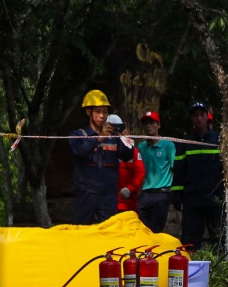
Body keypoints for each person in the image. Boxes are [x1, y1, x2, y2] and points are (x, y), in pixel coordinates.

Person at [69, 89, 134, 225]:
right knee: (80, 232)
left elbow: (127, 157)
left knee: (109, 234)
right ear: (89, 112)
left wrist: (125, 141)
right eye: (98, 111)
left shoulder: (113, 136)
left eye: (105, 112)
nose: (102, 116)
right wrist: (98, 139)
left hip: (108, 195)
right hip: (86, 193)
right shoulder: (78, 134)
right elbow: (79, 152)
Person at [173, 103, 223, 249]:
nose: (199, 118)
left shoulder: (218, 140)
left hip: (214, 199)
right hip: (192, 200)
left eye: (202, 114)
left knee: (218, 237)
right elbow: (179, 169)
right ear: (191, 118)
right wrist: (176, 193)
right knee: (190, 238)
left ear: (207, 117)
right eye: (195, 115)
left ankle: (218, 268)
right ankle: (191, 268)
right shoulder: (185, 142)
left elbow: (225, 169)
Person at [137, 111, 176, 234]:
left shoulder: (168, 145)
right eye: (146, 123)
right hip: (145, 194)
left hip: (161, 193)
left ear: (158, 125)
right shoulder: (141, 147)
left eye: (152, 122)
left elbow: (174, 168)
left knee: (156, 231)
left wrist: (174, 192)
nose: (148, 126)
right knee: (142, 229)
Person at [109, 115, 145, 214]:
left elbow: (140, 172)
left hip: (127, 204)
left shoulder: (133, 151)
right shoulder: (101, 148)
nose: (115, 132)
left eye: (117, 128)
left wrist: (130, 188)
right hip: (106, 203)